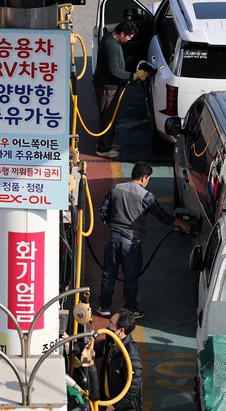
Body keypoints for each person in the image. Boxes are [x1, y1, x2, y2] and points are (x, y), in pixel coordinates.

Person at [97, 161, 190, 319]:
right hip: (132, 243)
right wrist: (182, 223)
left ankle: (104, 307)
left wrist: (111, 225)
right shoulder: (146, 196)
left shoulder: (115, 189)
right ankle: (131, 308)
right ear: (144, 178)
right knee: (130, 277)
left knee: (108, 274)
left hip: (113, 239)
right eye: (148, 179)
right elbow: (163, 217)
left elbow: (103, 212)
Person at [92, 21, 140, 159]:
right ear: (122, 34)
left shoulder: (108, 37)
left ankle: (107, 143)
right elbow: (114, 71)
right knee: (108, 118)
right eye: (129, 37)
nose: (130, 39)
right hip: (107, 87)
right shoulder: (111, 46)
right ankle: (103, 148)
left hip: (107, 85)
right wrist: (132, 76)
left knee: (108, 117)